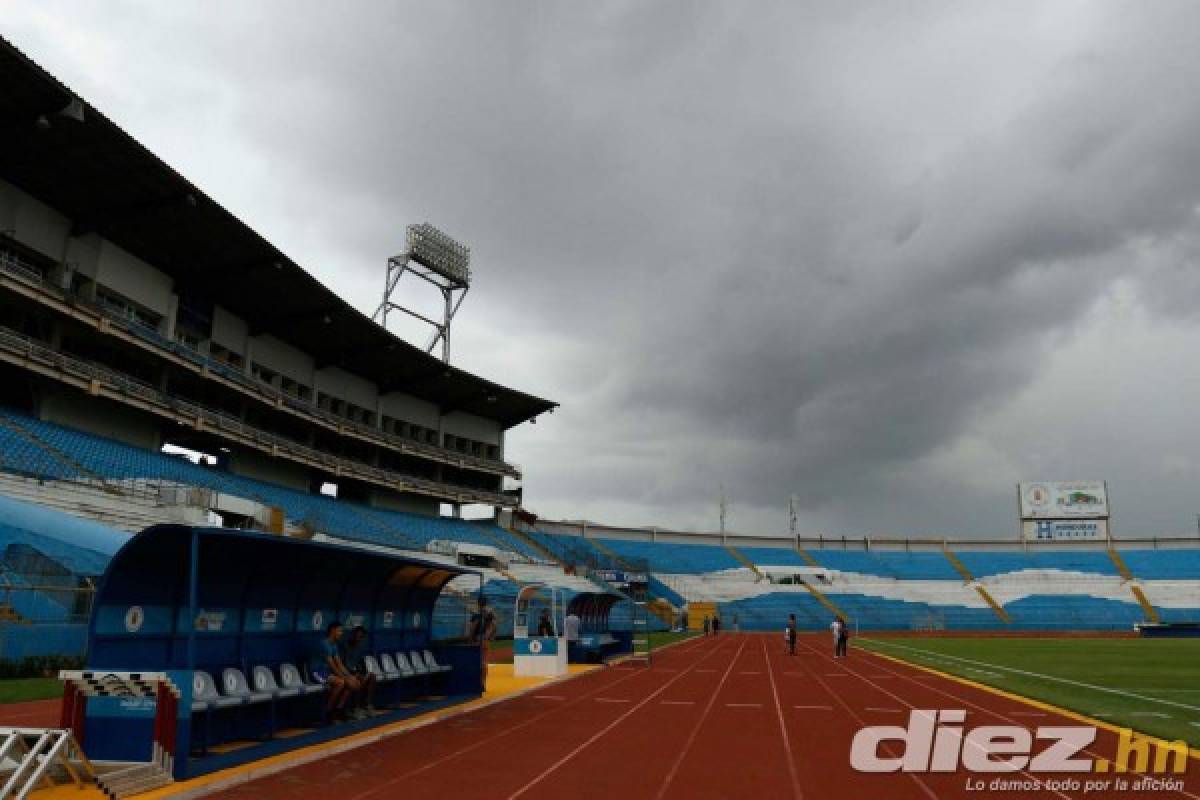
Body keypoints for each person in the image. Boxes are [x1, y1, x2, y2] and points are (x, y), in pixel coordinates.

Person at [310, 621, 360, 722]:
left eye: (341, 631)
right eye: (339, 631)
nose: (341, 633)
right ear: (332, 630)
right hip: (317, 672)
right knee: (340, 683)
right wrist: (345, 678)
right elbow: (332, 665)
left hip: (328, 672)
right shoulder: (324, 644)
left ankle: (339, 709)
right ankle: (328, 711)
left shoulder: (334, 645)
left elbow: (339, 664)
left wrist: (350, 677)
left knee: (350, 683)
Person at [339, 625, 377, 717]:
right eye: (356, 636)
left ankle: (367, 706)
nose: (358, 638)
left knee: (372, 676)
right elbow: (341, 664)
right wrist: (354, 674)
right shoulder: (344, 646)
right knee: (358, 680)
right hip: (345, 673)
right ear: (352, 635)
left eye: (360, 637)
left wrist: (363, 673)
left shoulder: (360, 647)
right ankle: (355, 709)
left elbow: (361, 662)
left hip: (355, 673)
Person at [468, 596, 497, 687]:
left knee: (475, 661)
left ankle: (476, 682)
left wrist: (470, 638)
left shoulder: (476, 614)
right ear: (486, 603)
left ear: (478, 603)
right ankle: (483, 682)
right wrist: (489, 636)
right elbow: (494, 626)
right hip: (485, 640)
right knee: (484, 662)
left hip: (477, 639)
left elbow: (473, 627)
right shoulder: (489, 614)